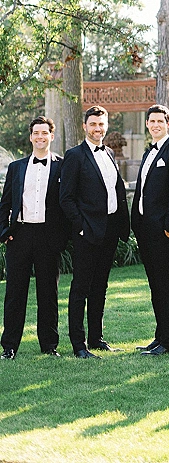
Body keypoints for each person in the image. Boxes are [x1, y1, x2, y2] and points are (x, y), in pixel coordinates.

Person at [60, 105, 130, 358]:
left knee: (100, 285)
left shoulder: (109, 152)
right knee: (81, 288)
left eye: (101, 124)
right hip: (87, 232)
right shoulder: (75, 155)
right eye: (93, 124)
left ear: (106, 126)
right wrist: (80, 226)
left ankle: (96, 338)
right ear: (84, 126)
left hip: (109, 230)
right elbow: (66, 198)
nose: (97, 129)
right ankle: (79, 345)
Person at [0, 116, 69, 359]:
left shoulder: (62, 166)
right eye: (36, 133)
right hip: (20, 235)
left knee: (48, 293)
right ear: (30, 137)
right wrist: (4, 232)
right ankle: (9, 346)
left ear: (52, 136)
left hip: (48, 237)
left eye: (44, 133)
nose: (40, 137)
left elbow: (67, 203)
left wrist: (63, 237)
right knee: (15, 293)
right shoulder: (16, 167)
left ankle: (49, 346)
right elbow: (5, 202)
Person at [131, 104, 169, 356]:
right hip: (145, 230)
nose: (155, 125)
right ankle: (159, 336)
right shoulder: (148, 153)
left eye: (160, 121)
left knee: (167, 285)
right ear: (147, 124)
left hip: (163, 231)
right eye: (151, 121)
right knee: (156, 285)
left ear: (168, 123)